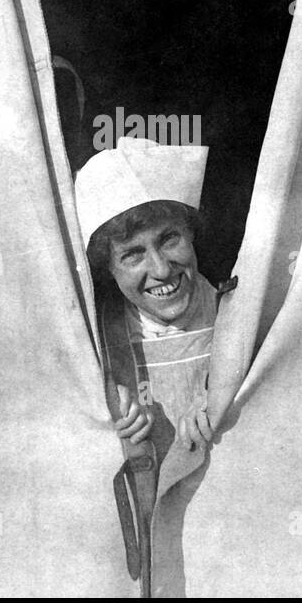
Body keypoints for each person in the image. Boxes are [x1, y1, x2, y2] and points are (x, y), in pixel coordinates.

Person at [76, 138, 217, 457]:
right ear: (107, 268)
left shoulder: (238, 312)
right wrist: (103, 409)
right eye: (132, 255)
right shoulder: (95, 339)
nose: (162, 270)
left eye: (169, 239)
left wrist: (230, 398)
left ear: (190, 233)